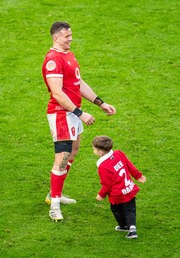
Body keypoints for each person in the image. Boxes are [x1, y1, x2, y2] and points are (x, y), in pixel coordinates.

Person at [42, 21, 116, 221]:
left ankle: (53, 193)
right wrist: (80, 113)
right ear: (56, 37)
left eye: (71, 35)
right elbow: (57, 93)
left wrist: (100, 103)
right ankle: (54, 206)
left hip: (72, 113)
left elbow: (78, 83)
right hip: (61, 114)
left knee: (73, 151)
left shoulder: (68, 55)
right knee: (62, 157)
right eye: (67, 36)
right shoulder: (53, 60)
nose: (71, 39)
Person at [92, 135, 146, 239]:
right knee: (130, 210)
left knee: (116, 210)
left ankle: (124, 226)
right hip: (129, 189)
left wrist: (101, 194)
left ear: (100, 152)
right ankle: (132, 229)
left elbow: (107, 185)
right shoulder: (119, 153)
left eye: (94, 149)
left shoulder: (103, 166)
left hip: (117, 194)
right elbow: (129, 165)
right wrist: (138, 176)